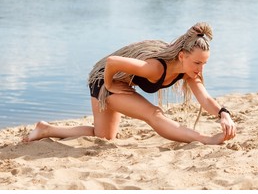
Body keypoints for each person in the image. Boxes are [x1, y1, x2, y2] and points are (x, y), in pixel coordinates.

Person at [24, 22, 236, 145]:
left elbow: (205, 99)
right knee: (154, 114)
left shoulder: (190, 72)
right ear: (182, 56)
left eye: (204, 63)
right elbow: (112, 62)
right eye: (197, 62)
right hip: (104, 79)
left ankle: (46, 129)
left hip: (117, 81)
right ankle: (205, 139)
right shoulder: (155, 67)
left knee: (104, 136)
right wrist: (110, 85)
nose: (200, 69)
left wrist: (223, 114)